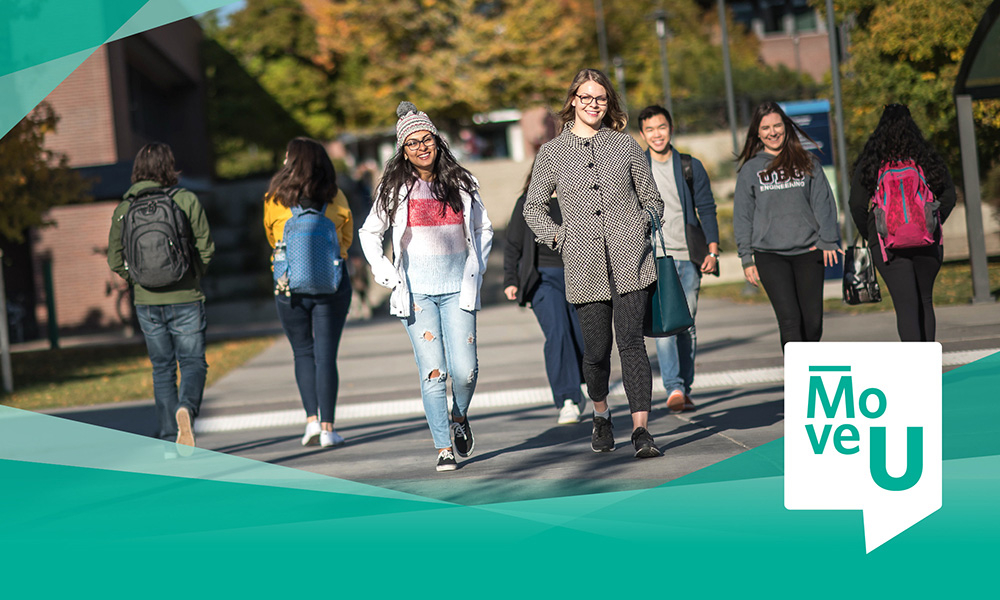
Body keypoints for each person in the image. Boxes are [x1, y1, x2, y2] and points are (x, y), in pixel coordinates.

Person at [523, 68, 665, 458]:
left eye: (600, 98)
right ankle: (601, 414)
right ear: (573, 101)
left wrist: (640, 223)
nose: (593, 104)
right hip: (584, 265)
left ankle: (641, 431)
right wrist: (559, 237)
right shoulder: (552, 152)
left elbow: (653, 199)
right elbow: (533, 208)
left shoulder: (626, 146)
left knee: (633, 344)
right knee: (597, 350)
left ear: (609, 102)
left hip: (631, 260)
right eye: (585, 97)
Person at [359, 101, 493, 472]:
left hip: (458, 291)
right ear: (403, 150)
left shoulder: (462, 182)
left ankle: (460, 417)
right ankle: (443, 447)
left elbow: (483, 228)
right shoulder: (395, 188)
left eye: (427, 139)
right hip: (417, 295)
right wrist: (385, 272)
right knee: (434, 371)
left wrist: (477, 267)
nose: (422, 147)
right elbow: (370, 233)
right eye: (412, 143)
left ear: (437, 141)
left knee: (465, 372)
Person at [107, 143, 215, 450]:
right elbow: (206, 248)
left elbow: (115, 259)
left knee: (162, 368)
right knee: (193, 362)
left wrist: (138, 280)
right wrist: (191, 275)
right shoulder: (185, 199)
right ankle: (187, 409)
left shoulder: (124, 209)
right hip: (186, 296)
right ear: (169, 167)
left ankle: (170, 437)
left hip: (146, 301)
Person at [264, 138, 353, 448]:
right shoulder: (336, 196)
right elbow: (346, 238)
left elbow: (271, 237)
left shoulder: (274, 198)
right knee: (326, 355)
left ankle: (311, 424)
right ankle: (329, 429)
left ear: (290, 161)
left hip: (289, 286)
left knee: (302, 351)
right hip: (331, 282)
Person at [734, 101, 841, 350]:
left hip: (809, 253)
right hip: (770, 256)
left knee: (813, 323)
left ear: (786, 126)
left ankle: (808, 371)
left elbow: (824, 202)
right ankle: (799, 382)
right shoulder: (750, 170)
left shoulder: (807, 161)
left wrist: (827, 239)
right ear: (757, 133)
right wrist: (747, 258)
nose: (772, 132)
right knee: (790, 321)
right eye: (766, 128)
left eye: (777, 125)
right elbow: (742, 216)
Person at [849, 103, 956, 341]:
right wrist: (932, 223)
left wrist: (872, 235)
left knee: (906, 306)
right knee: (925, 301)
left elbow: (856, 203)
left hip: (887, 245)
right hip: (927, 241)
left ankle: (915, 371)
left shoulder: (871, 161)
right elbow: (949, 196)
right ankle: (928, 367)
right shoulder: (925, 157)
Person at [637, 105, 720, 413]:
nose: (656, 134)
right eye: (650, 130)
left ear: (670, 129)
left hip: (688, 257)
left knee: (687, 324)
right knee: (665, 324)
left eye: (661, 127)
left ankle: (685, 384)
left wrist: (712, 250)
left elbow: (707, 208)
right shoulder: (637, 167)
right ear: (642, 134)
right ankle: (673, 387)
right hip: (654, 258)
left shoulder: (689, 166)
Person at [503, 165, 586, 425]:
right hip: (542, 279)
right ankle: (567, 399)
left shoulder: (577, 197)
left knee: (585, 336)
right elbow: (513, 242)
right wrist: (511, 279)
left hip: (580, 275)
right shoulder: (528, 202)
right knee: (558, 333)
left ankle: (587, 387)